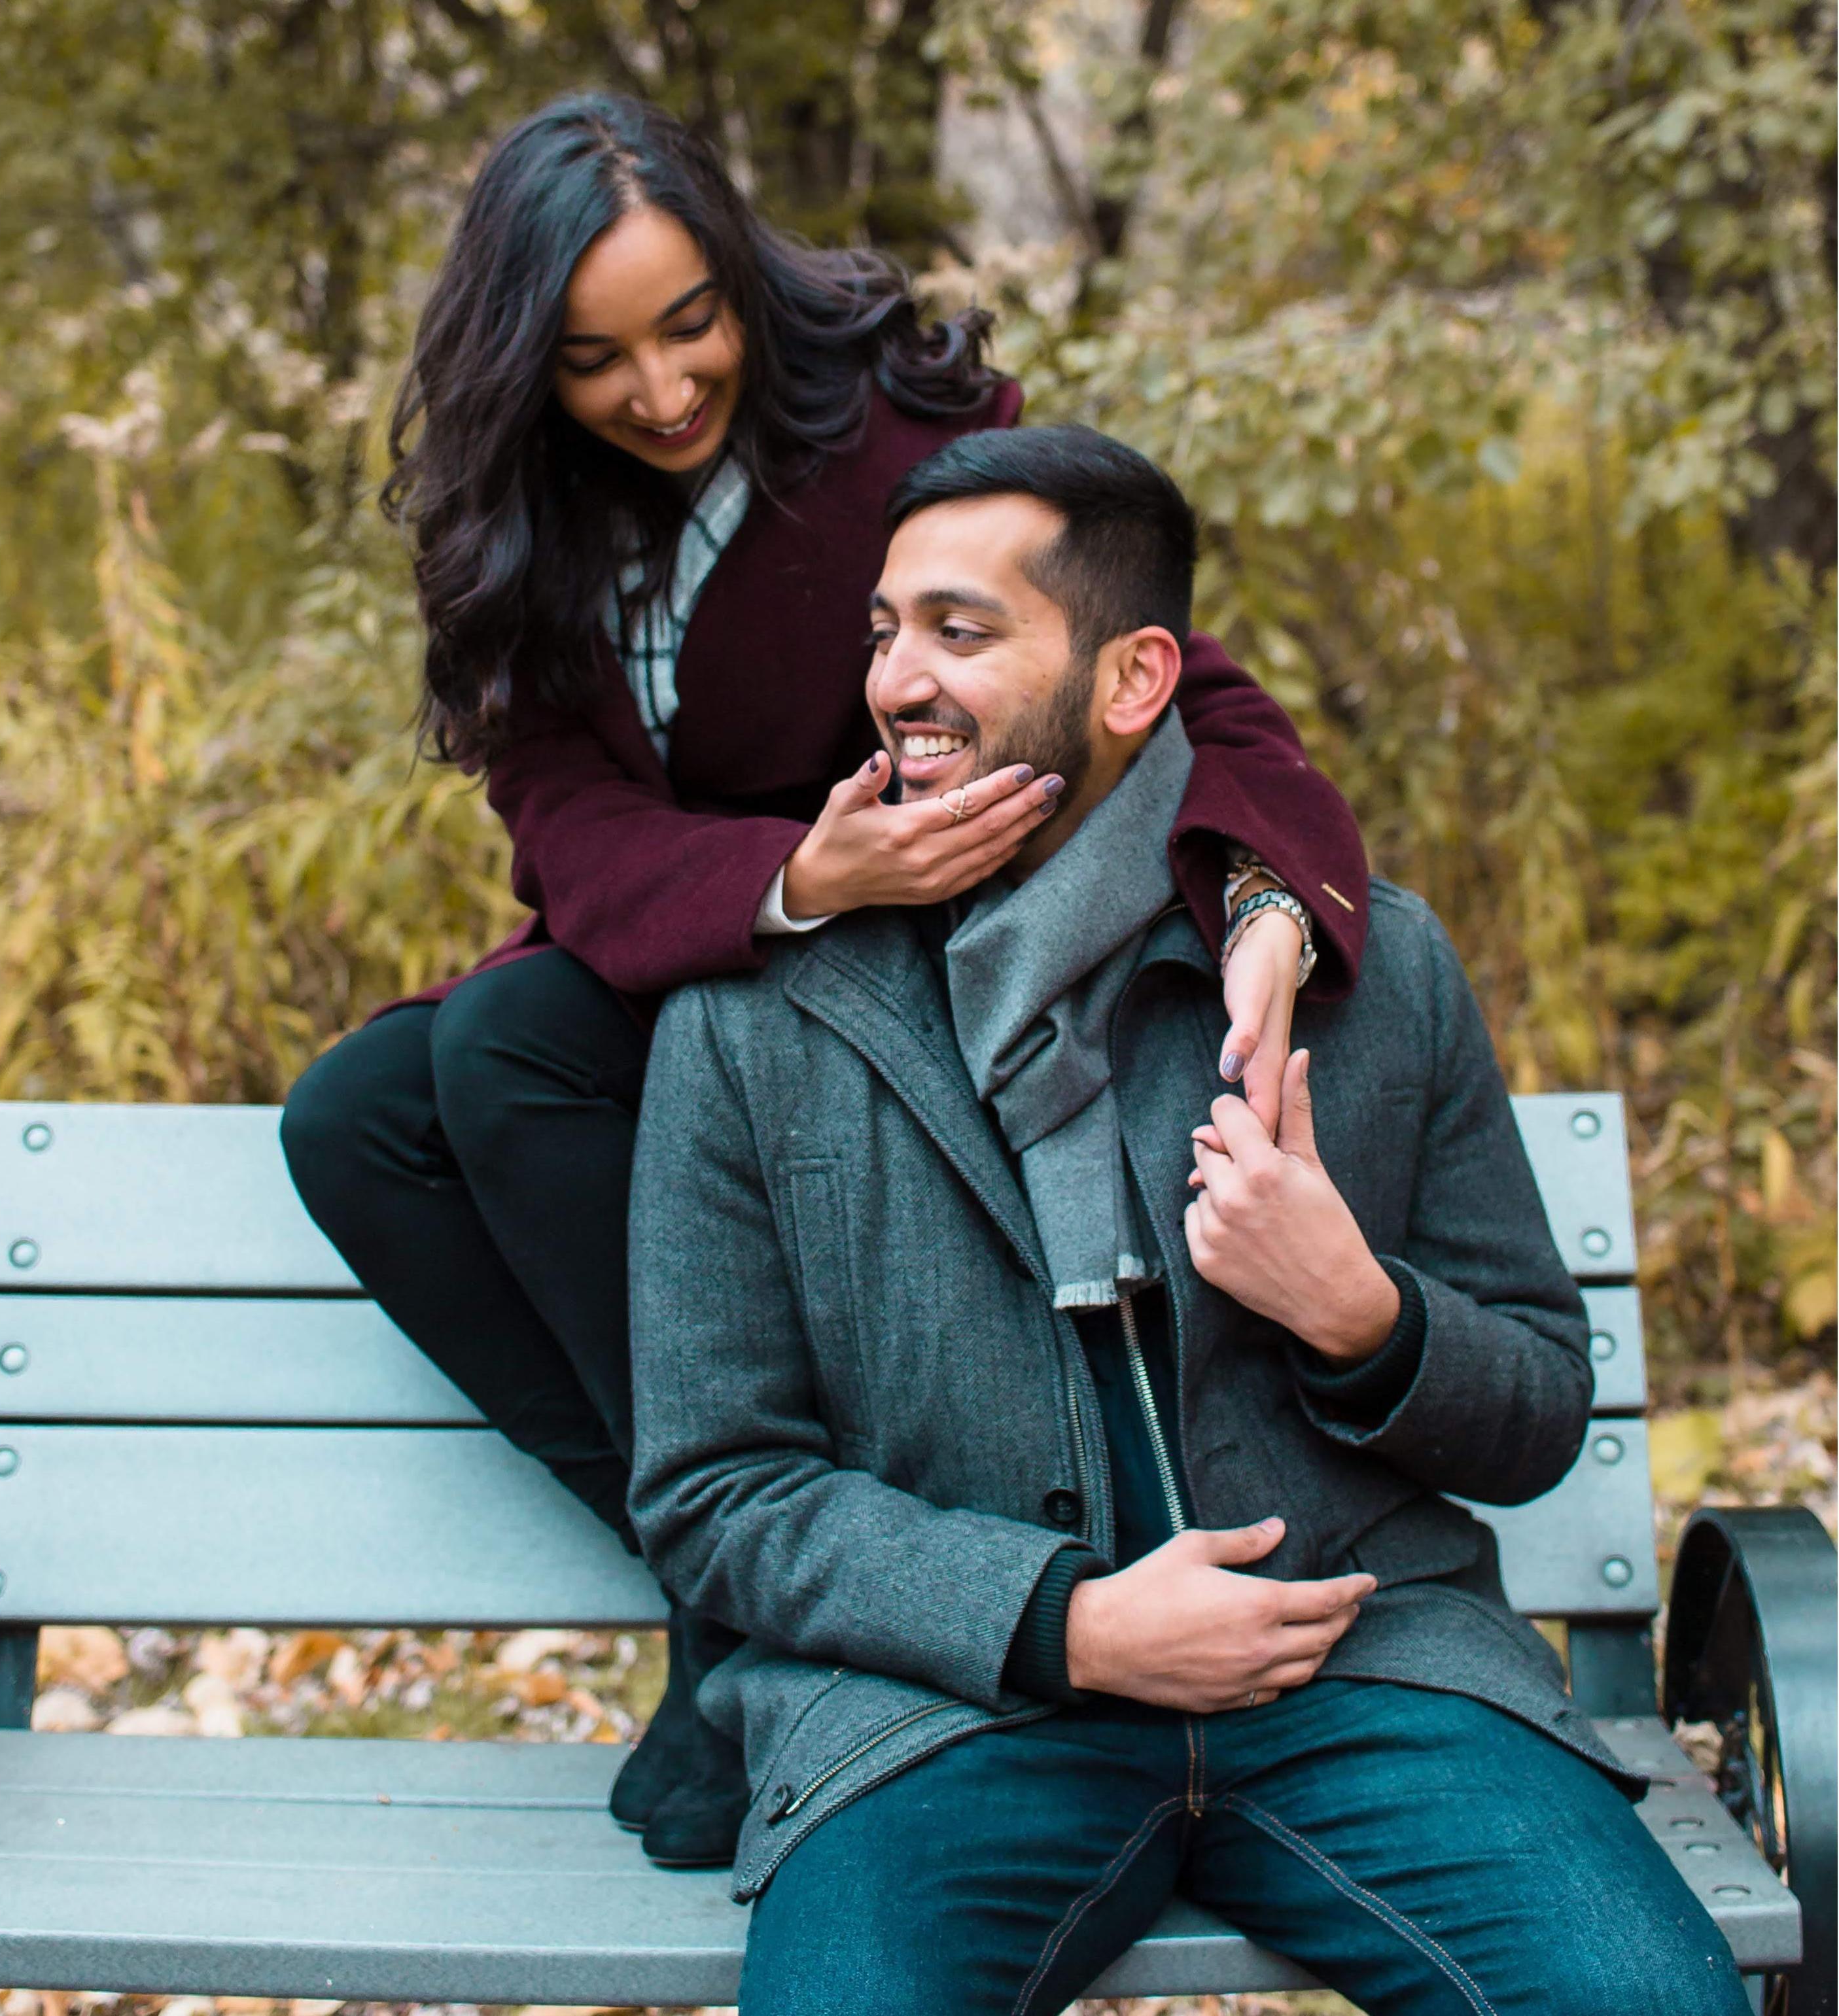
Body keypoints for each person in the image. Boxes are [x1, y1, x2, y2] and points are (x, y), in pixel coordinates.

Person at [279, 92, 1375, 1871]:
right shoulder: (520, 521)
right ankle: (741, 1584)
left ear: (740, 279)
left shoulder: (900, 431)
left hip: (914, 980)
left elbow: (1179, 678)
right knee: (356, 1118)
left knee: (501, 1047)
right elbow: (563, 821)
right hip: (732, 930)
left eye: (688, 324)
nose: (658, 390)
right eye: (593, 359)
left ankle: (766, 1609)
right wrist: (799, 874)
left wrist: (1260, 892)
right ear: (521, 363)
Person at [625, 426, 1749, 2012]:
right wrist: (1064, 1622)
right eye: (883, 631)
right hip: (947, 1709)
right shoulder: (755, 1021)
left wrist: (1364, 1317)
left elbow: (1536, 1410)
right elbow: (714, 1487)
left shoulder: (1357, 968)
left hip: (1363, 1666)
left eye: (960, 630)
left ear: (1134, 677)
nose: (895, 680)